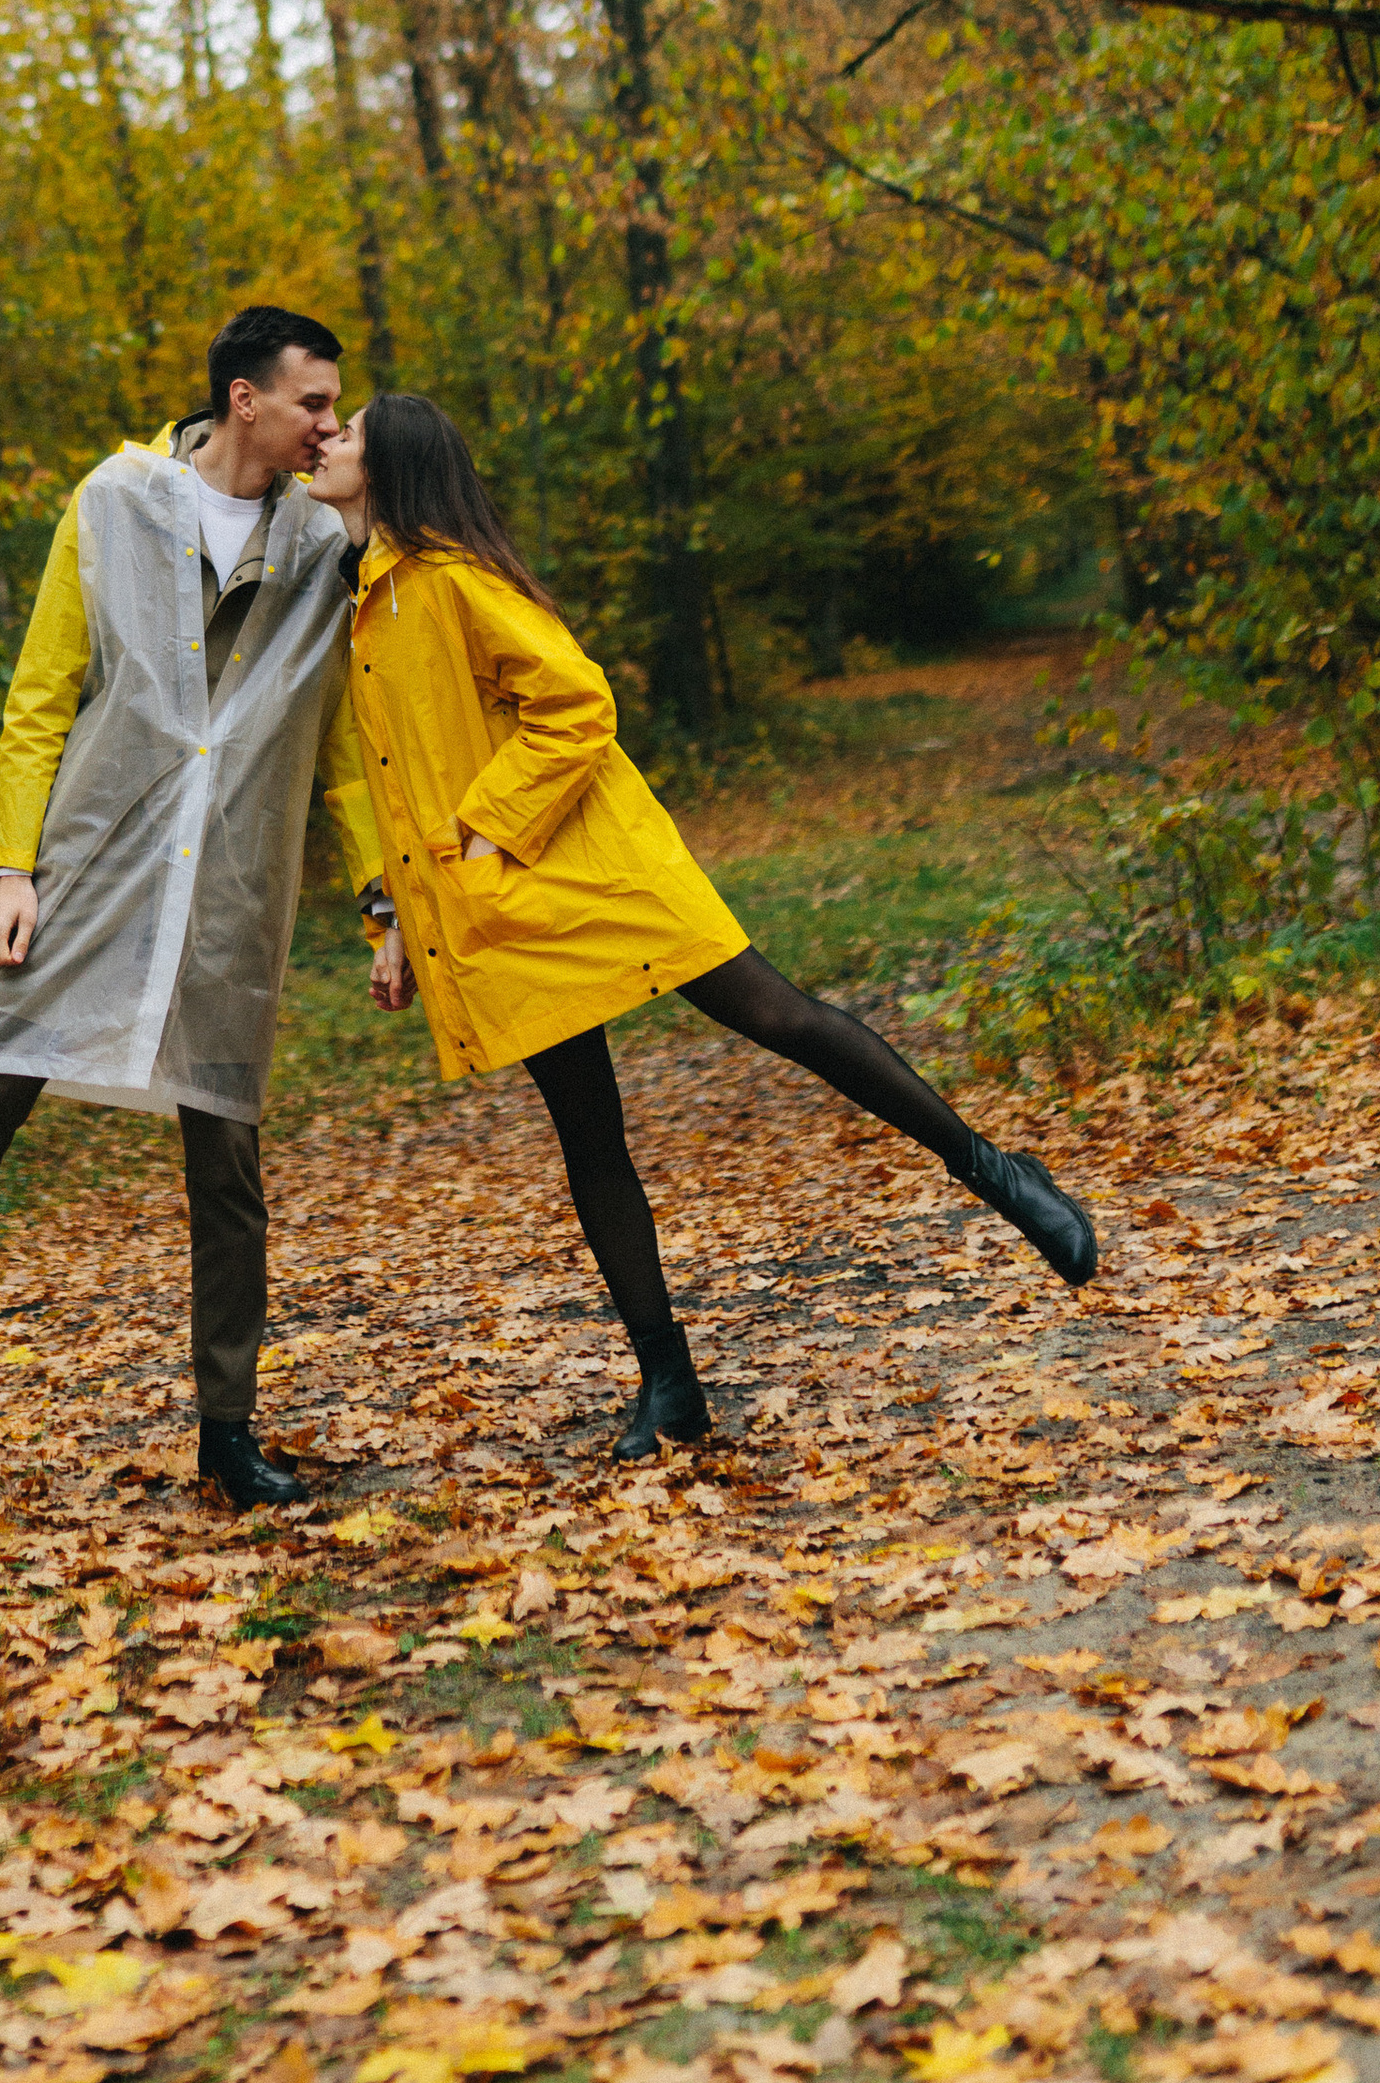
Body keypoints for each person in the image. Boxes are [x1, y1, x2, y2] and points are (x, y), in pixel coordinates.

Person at [304, 393, 1098, 1460]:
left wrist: (489, 827)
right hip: (492, 909)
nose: (325, 440)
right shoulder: (358, 606)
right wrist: (388, 918)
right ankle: (667, 1383)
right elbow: (368, 779)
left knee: (783, 1018)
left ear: (392, 467)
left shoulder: (451, 579)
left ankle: (996, 1172)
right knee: (588, 1137)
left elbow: (577, 702)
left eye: (346, 431)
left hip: (595, 871)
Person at [0, 307, 390, 1510]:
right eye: (313, 402)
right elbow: (40, 691)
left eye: (336, 407)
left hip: (226, 888)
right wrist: (12, 868)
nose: (330, 424)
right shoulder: (115, 502)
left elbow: (347, 745)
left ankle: (227, 1430)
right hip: (95, 860)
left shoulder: (328, 549)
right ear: (243, 401)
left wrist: (382, 897)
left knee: (226, 1159)